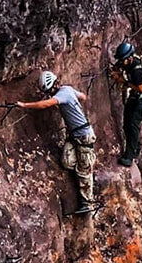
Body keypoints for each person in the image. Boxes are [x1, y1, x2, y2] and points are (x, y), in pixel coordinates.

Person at [18, 70, 97, 214]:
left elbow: (44, 105)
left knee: (84, 171)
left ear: (54, 85)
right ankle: (83, 166)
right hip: (74, 136)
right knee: (67, 161)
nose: (50, 94)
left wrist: (24, 105)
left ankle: (88, 203)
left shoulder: (63, 94)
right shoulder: (67, 90)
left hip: (84, 135)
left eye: (50, 91)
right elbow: (83, 97)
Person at [112, 40, 142, 164]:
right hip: (137, 93)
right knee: (126, 119)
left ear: (130, 58)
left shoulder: (136, 69)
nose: (121, 62)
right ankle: (135, 144)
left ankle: (130, 155)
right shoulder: (128, 63)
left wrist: (123, 81)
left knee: (133, 120)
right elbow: (119, 65)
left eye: (123, 60)